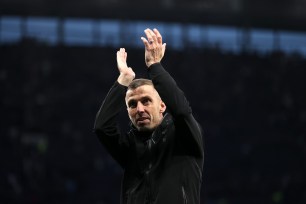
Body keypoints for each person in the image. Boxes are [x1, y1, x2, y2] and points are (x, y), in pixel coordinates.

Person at [94, 28, 204, 204]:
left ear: (162, 105)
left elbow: (182, 111)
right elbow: (102, 128)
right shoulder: (131, 149)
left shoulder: (184, 137)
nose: (139, 109)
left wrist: (154, 66)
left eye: (146, 101)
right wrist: (123, 79)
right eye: (132, 104)